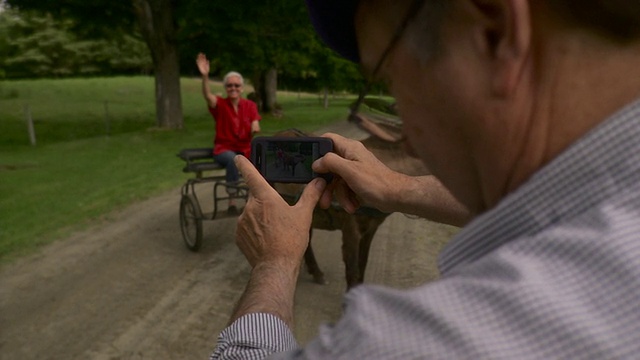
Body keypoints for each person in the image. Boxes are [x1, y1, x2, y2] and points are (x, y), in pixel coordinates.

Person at [211, 0, 640, 358]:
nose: (409, 140)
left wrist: (275, 265)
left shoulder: (414, 342)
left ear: (494, 32)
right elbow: (553, 202)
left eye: (394, 80)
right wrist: (398, 187)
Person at [196, 53, 261, 214]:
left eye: (237, 85)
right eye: (230, 85)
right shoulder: (220, 103)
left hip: (245, 147)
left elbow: (255, 122)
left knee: (262, 158)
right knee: (233, 160)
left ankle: (256, 195)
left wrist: (254, 127)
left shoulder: (250, 105)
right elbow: (207, 96)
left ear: (242, 88)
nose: (233, 88)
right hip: (223, 149)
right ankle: (232, 198)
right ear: (226, 88)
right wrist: (205, 77)